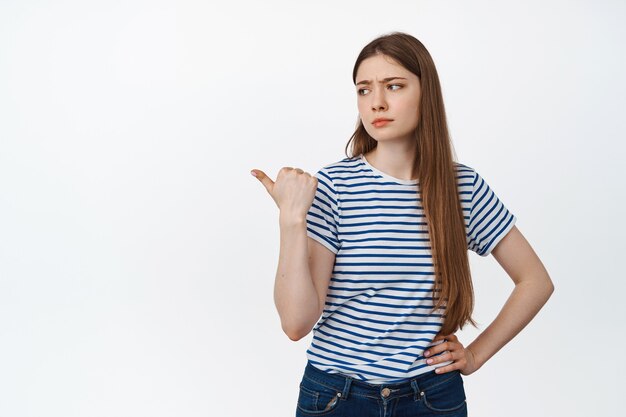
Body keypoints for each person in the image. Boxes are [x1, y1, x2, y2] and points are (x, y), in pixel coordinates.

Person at [251, 31, 554, 417]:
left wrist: (476, 355)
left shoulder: (462, 187)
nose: (376, 102)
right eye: (364, 90)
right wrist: (292, 220)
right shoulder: (335, 186)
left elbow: (535, 281)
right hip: (336, 397)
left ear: (426, 93)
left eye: (393, 86)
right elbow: (296, 324)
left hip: (432, 397)